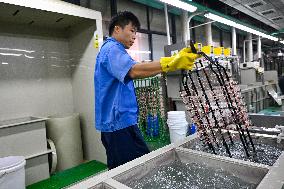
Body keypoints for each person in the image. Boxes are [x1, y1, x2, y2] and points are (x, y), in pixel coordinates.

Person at [95, 11, 199, 169]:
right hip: (118, 125)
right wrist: (172, 62)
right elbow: (134, 71)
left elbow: (138, 70)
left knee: (138, 167)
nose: (135, 36)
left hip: (123, 123)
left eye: (136, 32)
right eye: (132, 30)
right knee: (129, 173)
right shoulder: (111, 49)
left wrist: (173, 61)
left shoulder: (117, 51)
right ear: (117, 29)